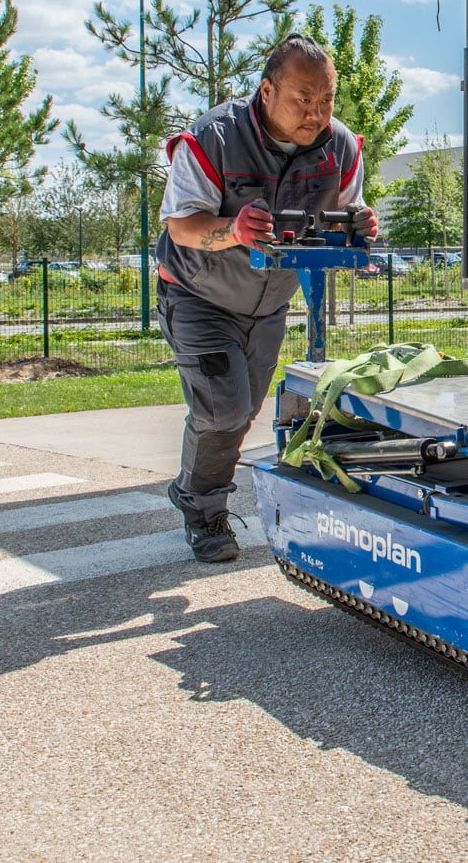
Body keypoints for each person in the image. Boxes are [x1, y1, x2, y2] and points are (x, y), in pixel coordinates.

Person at [153, 35, 377, 561]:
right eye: (303, 98)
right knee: (224, 410)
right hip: (196, 295)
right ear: (267, 89)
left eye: (326, 100)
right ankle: (204, 512)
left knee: (244, 409)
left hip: (268, 304)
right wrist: (234, 229)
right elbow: (182, 226)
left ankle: (196, 490)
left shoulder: (341, 147)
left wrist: (359, 227)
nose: (316, 113)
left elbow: (346, 217)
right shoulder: (212, 138)